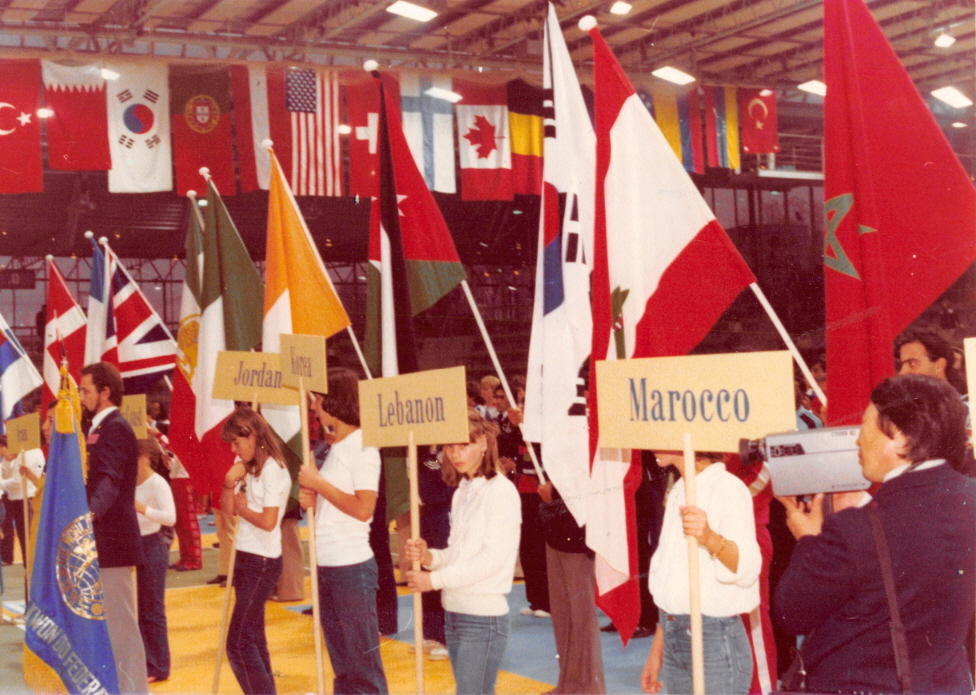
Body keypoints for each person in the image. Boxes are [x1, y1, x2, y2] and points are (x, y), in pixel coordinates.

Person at [774, 374, 976, 694]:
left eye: (865, 424)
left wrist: (810, 541)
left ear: (897, 436)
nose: (857, 440)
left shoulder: (855, 529)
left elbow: (791, 612)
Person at [405, 408, 521, 695]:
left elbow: (492, 559)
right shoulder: (462, 491)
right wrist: (430, 557)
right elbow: (457, 554)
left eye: (464, 445)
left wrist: (433, 581)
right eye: (449, 447)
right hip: (454, 612)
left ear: (483, 442)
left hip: (482, 618)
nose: (455, 454)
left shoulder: (501, 492)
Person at [297, 367, 389, 695]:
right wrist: (313, 495)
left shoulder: (363, 446)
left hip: (351, 567)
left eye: (318, 400)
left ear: (335, 400)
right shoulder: (337, 446)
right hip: (328, 564)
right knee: (343, 663)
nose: (314, 407)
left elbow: (364, 509)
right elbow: (336, 501)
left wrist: (319, 483)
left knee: (362, 666)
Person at [641, 450, 761, 695]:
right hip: (675, 634)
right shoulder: (679, 490)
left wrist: (710, 538)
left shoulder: (728, 488)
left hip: (713, 639)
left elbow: (747, 568)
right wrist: (657, 653)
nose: (649, 445)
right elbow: (673, 582)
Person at [79, 361, 148, 694]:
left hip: (113, 541)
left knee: (121, 627)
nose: (80, 396)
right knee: (111, 626)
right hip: (103, 541)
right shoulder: (98, 427)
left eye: (85, 390)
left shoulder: (116, 428)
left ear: (105, 392)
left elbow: (109, 479)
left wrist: (88, 515)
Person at [221, 406, 290, 695]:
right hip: (245, 557)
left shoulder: (275, 469)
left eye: (237, 442)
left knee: (237, 643)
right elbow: (227, 511)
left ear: (252, 436)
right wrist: (228, 483)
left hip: (263, 562)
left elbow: (269, 522)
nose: (234, 449)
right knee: (254, 637)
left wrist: (244, 508)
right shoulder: (246, 464)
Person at [539, 479, 606, 694]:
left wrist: (556, 497)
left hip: (579, 531)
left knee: (581, 617)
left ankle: (588, 687)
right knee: (563, 615)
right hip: (559, 529)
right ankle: (570, 684)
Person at [134, 438, 176, 683]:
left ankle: (159, 666)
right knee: (139, 609)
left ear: (144, 459)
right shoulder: (130, 481)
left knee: (152, 610)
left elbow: (170, 518)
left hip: (153, 546)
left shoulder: (158, 484)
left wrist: (143, 509)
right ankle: (145, 661)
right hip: (135, 546)